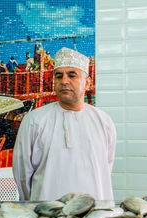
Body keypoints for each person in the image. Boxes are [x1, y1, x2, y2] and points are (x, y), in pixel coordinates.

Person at [13, 47, 116, 201]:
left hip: (93, 216)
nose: (64, 81)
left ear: (87, 83)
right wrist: (36, 205)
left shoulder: (103, 121)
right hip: (47, 217)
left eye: (72, 75)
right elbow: (22, 175)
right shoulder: (34, 121)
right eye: (59, 76)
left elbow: (106, 169)